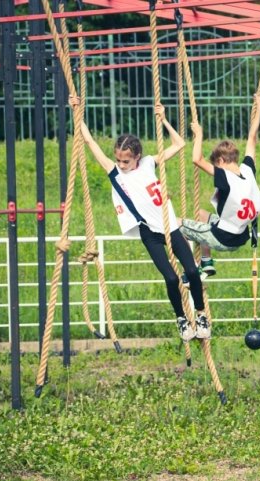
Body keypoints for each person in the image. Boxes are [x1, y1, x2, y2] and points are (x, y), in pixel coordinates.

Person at [74, 99, 209, 342]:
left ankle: (201, 315)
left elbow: (179, 144)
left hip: (170, 225)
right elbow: (90, 142)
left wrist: (164, 119)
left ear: (137, 157)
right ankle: (181, 319)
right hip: (150, 232)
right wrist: (77, 112)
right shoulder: (115, 173)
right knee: (170, 277)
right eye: (119, 159)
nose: (122, 164)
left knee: (192, 270)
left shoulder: (148, 163)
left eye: (126, 160)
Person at [177, 93, 260, 281]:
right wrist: (259, 106)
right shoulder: (247, 170)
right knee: (200, 214)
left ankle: (192, 271)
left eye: (216, 165)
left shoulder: (225, 175)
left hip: (222, 237)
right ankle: (207, 263)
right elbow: (252, 138)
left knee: (174, 224)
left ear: (221, 160)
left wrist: (199, 135)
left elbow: (196, 160)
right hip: (240, 235)